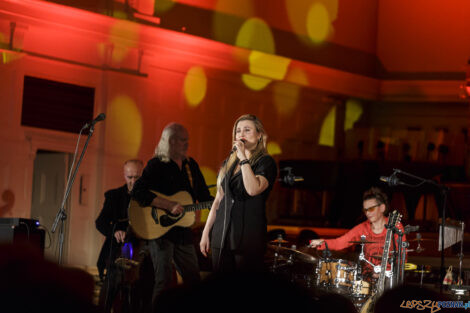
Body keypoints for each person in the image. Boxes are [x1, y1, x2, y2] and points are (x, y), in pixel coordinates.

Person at [131, 122, 212, 309]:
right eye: (183, 140)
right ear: (171, 141)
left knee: (193, 281)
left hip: (183, 232)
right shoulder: (156, 164)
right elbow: (138, 192)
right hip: (159, 232)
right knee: (164, 281)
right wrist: (168, 204)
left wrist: (221, 202)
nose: (187, 144)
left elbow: (204, 196)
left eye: (187, 141)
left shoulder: (191, 165)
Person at [200, 114, 277, 273]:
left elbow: (252, 189)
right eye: (238, 131)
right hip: (222, 235)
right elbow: (218, 200)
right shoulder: (228, 163)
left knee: (241, 292)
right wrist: (206, 232)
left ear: (259, 135)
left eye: (247, 130)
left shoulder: (266, 162)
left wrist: (243, 158)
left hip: (247, 239)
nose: (241, 134)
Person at [309, 187, 406, 280]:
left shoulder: (396, 226)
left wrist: (393, 277)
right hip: (368, 278)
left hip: (389, 279)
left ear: (382, 208)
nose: (367, 213)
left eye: (371, 209)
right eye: (365, 210)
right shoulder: (362, 228)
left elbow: (402, 257)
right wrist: (322, 242)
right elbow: (341, 242)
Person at [95, 159, 144, 312]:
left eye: (137, 177)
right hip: (118, 248)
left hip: (140, 248)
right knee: (113, 278)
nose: (133, 181)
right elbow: (100, 222)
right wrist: (114, 232)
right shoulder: (114, 196)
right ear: (124, 175)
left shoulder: (151, 198)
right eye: (130, 177)